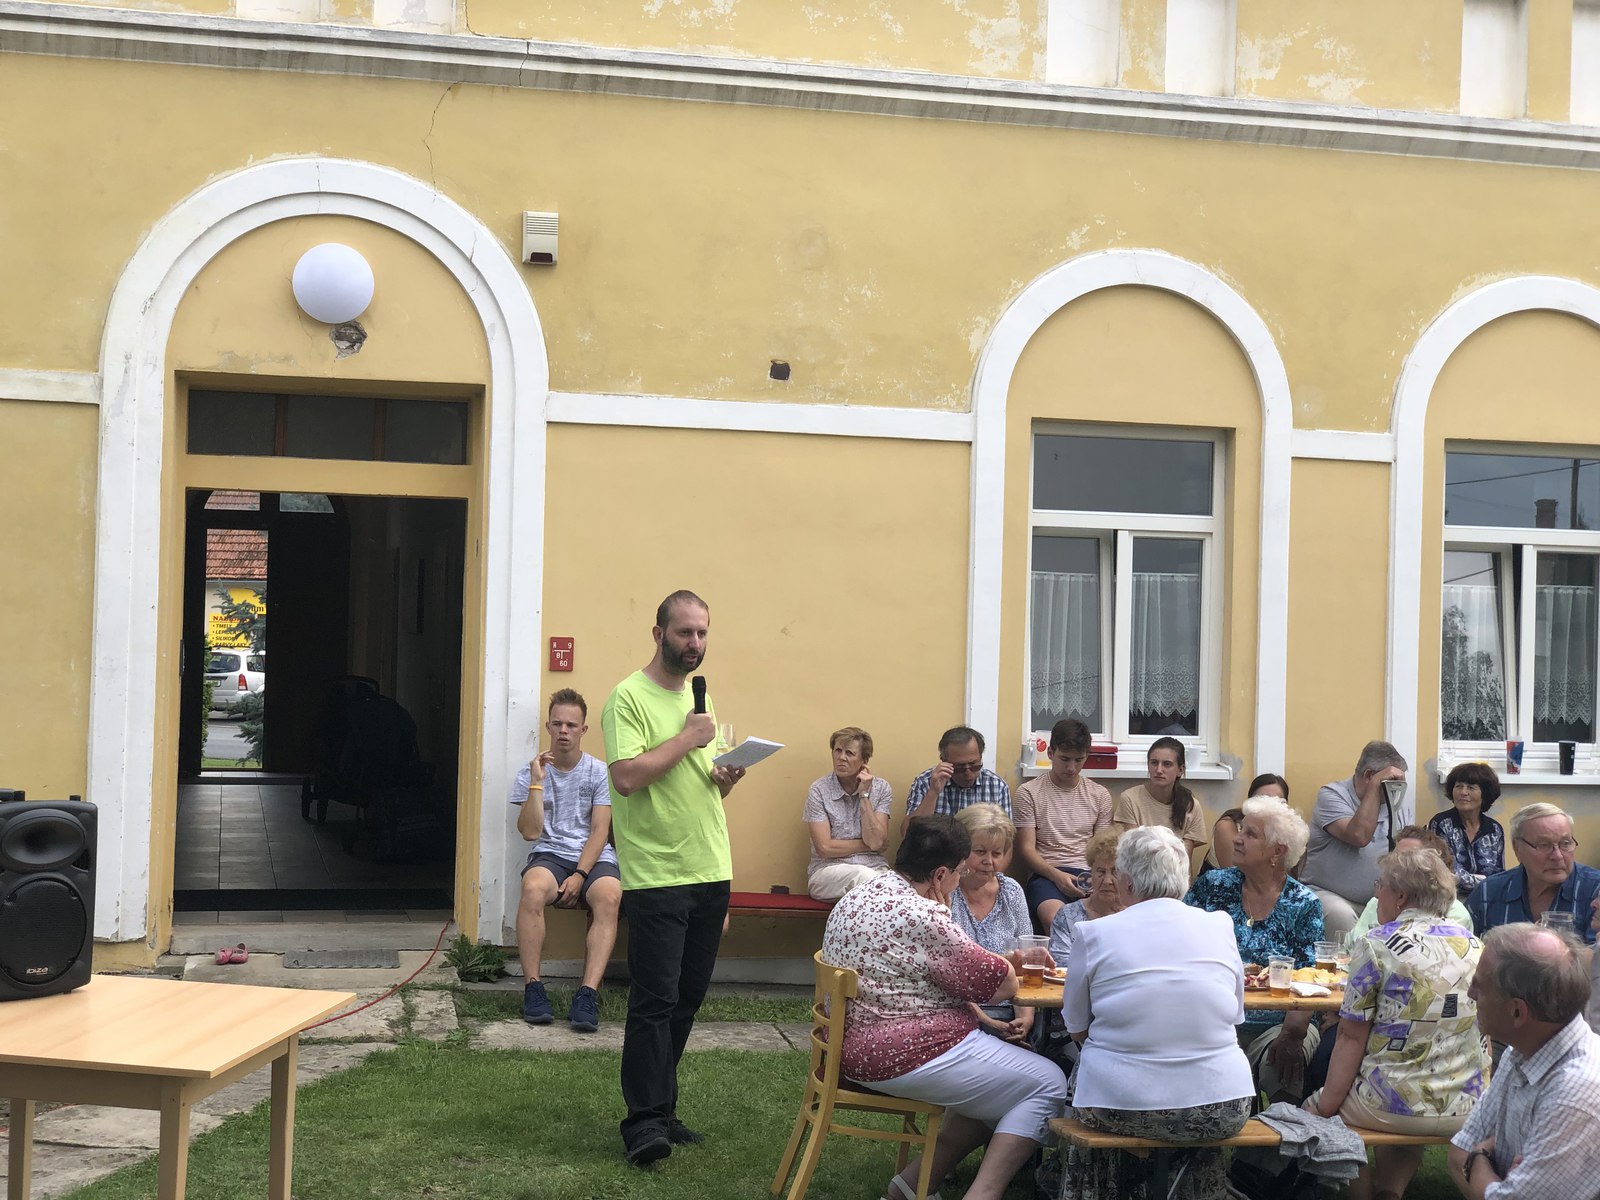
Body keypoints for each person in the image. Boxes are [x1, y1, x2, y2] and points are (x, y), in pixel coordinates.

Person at [821, 816, 1068, 1200]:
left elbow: (960, 971)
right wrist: (1005, 961)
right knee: (1049, 1082)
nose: (959, 879)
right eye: (958, 872)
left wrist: (1003, 962)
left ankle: (910, 1187)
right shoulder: (924, 914)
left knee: (1003, 1087)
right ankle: (982, 1194)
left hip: (855, 1044)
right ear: (939, 875)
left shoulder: (863, 892)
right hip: (905, 1051)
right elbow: (1000, 986)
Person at [601, 590, 747, 1167]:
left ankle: (663, 1107)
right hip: (657, 872)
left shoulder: (698, 697)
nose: (695, 643)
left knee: (686, 999)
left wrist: (726, 776)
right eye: (685, 632)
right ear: (658, 634)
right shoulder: (627, 697)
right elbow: (627, 777)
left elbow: (701, 779)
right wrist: (688, 738)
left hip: (710, 866)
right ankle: (642, 1124)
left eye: (703, 633)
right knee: (654, 1000)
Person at [1060, 826, 1255, 1200]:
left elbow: (1077, 1028)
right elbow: (1234, 1017)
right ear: (1183, 879)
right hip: (1221, 1106)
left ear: (1127, 882)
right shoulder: (1219, 925)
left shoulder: (1094, 933)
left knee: (1085, 1076)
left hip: (1119, 1105)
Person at [1303, 848, 1489, 1200]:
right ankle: (1390, 1192)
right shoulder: (1475, 946)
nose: (1377, 894)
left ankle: (1363, 1195)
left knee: (1317, 1113)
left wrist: (1324, 1105)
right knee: (1404, 1097)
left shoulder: (1376, 944)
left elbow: (1350, 1037)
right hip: (1465, 1106)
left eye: (1381, 886)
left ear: (1400, 896)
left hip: (1388, 1106)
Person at [1185, 795, 1324, 1102]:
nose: (1237, 839)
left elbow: (1309, 977)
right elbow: (1181, 939)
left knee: (1281, 1062)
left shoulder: (1303, 903)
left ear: (1277, 851)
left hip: (1281, 1023)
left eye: (1250, 834)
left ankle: (1276, 1132)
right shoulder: (1214, 885)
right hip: (1215, 1018)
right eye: (1241, 830)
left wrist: (1292, 1034)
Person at [1448, 923, 1600, 1198]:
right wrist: (1490, 1176)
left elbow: (1469, 1156)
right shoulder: (1520, 1051)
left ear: (1517, 1012)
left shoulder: (1574, 1094)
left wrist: (1479, 1158)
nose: (1470, 993)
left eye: (1480, 986)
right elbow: (1458, 1154)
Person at [509, 688, 622, 1032]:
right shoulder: (531, 773)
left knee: (609, 896)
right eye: (557, 723)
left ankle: (587, 994)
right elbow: (530, 832)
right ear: (548, 726)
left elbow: (600, 831)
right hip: (551, 854)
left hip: (593, 857)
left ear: (583, 730)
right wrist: (537, 784)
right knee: (532, 889)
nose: (563, 731)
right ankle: (533, 989)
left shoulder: (599, 772)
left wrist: (580, 875)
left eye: (571, 725)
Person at [1300, 741, 1412, 942]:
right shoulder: (1332, 795)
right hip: (1329, 894)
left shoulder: (1396, 803)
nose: (1396, 788)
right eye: (1391, 781)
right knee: (1341, 916)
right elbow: (1359, 836)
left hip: (1380, 900)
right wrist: (1375, 787)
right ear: (1369, 776)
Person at [1012, 718, 1112, 927]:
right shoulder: (1029, 792)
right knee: (1057, 921)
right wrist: (1056, 876)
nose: (1071, 768)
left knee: (1106, 921)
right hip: (1047, 873)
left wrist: (1096, 879)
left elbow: (1103, 850)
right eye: (1065, 759)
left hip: (1089, 873)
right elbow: (1026, 849)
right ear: (1050, 753)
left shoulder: (1100, 795)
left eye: (1079, 760)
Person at [950, 804, 1036, 1044]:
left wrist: (1025, 1018)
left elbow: (1027, 964)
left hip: (1008, 1013)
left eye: (996, 853)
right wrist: (988, 1022)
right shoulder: (945, 893)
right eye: (979, 851)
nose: (989, 861)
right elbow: (946, 977)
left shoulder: (1012, 892)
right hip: (958, 1015)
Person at [1466, 801, 1600, 943]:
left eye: (1565, 843)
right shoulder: (1488, 892)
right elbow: (1459, 946)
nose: (1558, 856)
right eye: (1544, 845)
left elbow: (1596, 954)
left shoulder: (1595, 890)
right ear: (1517, 848)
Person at [803, 726, 893, 901]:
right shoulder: (819, 790)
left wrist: (864, 795)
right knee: (863, 876)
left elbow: (876, 841)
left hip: (876, 869)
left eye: (849, 753)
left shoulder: (881, 788)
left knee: (896, 886)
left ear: (864, 760)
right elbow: (824, 848)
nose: (841, 758)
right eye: (838, 750)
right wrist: (869, 846)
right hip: (827, 872)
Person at [1345, 825, 1474, 946]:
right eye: (1395, 856)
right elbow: (1349, 947)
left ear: (1433, 865)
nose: (1396, 863)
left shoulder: (1456, 913)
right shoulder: (1377, 901)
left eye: (1407, 858)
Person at [1111, 737, 1208, 862]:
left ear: (1180, 770)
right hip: (1137, 869)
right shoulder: (1130, 799)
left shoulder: (1191, 806)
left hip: (1174, 871)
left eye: (1167, 764)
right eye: (1154, 763)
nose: (1159, 770)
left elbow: (1184, 862)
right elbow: (1133, 852)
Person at [901, 726, 1011, 835]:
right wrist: (933, 793)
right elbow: (907, 833)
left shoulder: (997, 785)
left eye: (974, 765)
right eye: (959, 767)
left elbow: (1007, 837)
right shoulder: (925, 782)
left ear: (981, 757)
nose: (968, 772)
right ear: (944, 761)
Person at [1428, 762, 1506, 898]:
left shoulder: (1494, 829)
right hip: (1451, 899)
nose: (1463, 792)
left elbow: (1499, 875)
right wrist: (1484, 881)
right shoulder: (1442, 824)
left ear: (1485, 793)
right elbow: (1446, 872)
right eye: (1458, 786)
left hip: (1487, 899)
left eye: (1471, 787)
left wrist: (1489, 885)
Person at [1047, 827, 1123, 963]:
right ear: (1091, 873)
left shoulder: (1137, 915)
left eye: (1115, 872)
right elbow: (1061, 964)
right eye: (1100, 871)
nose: (1107, 881)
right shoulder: (1068, 915)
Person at [1201, 773, 1288, 873]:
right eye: (1261, 800)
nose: (1268, 807)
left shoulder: (1286, 832)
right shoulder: (1228, 826)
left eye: (1276, 802)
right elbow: (1237, 875)